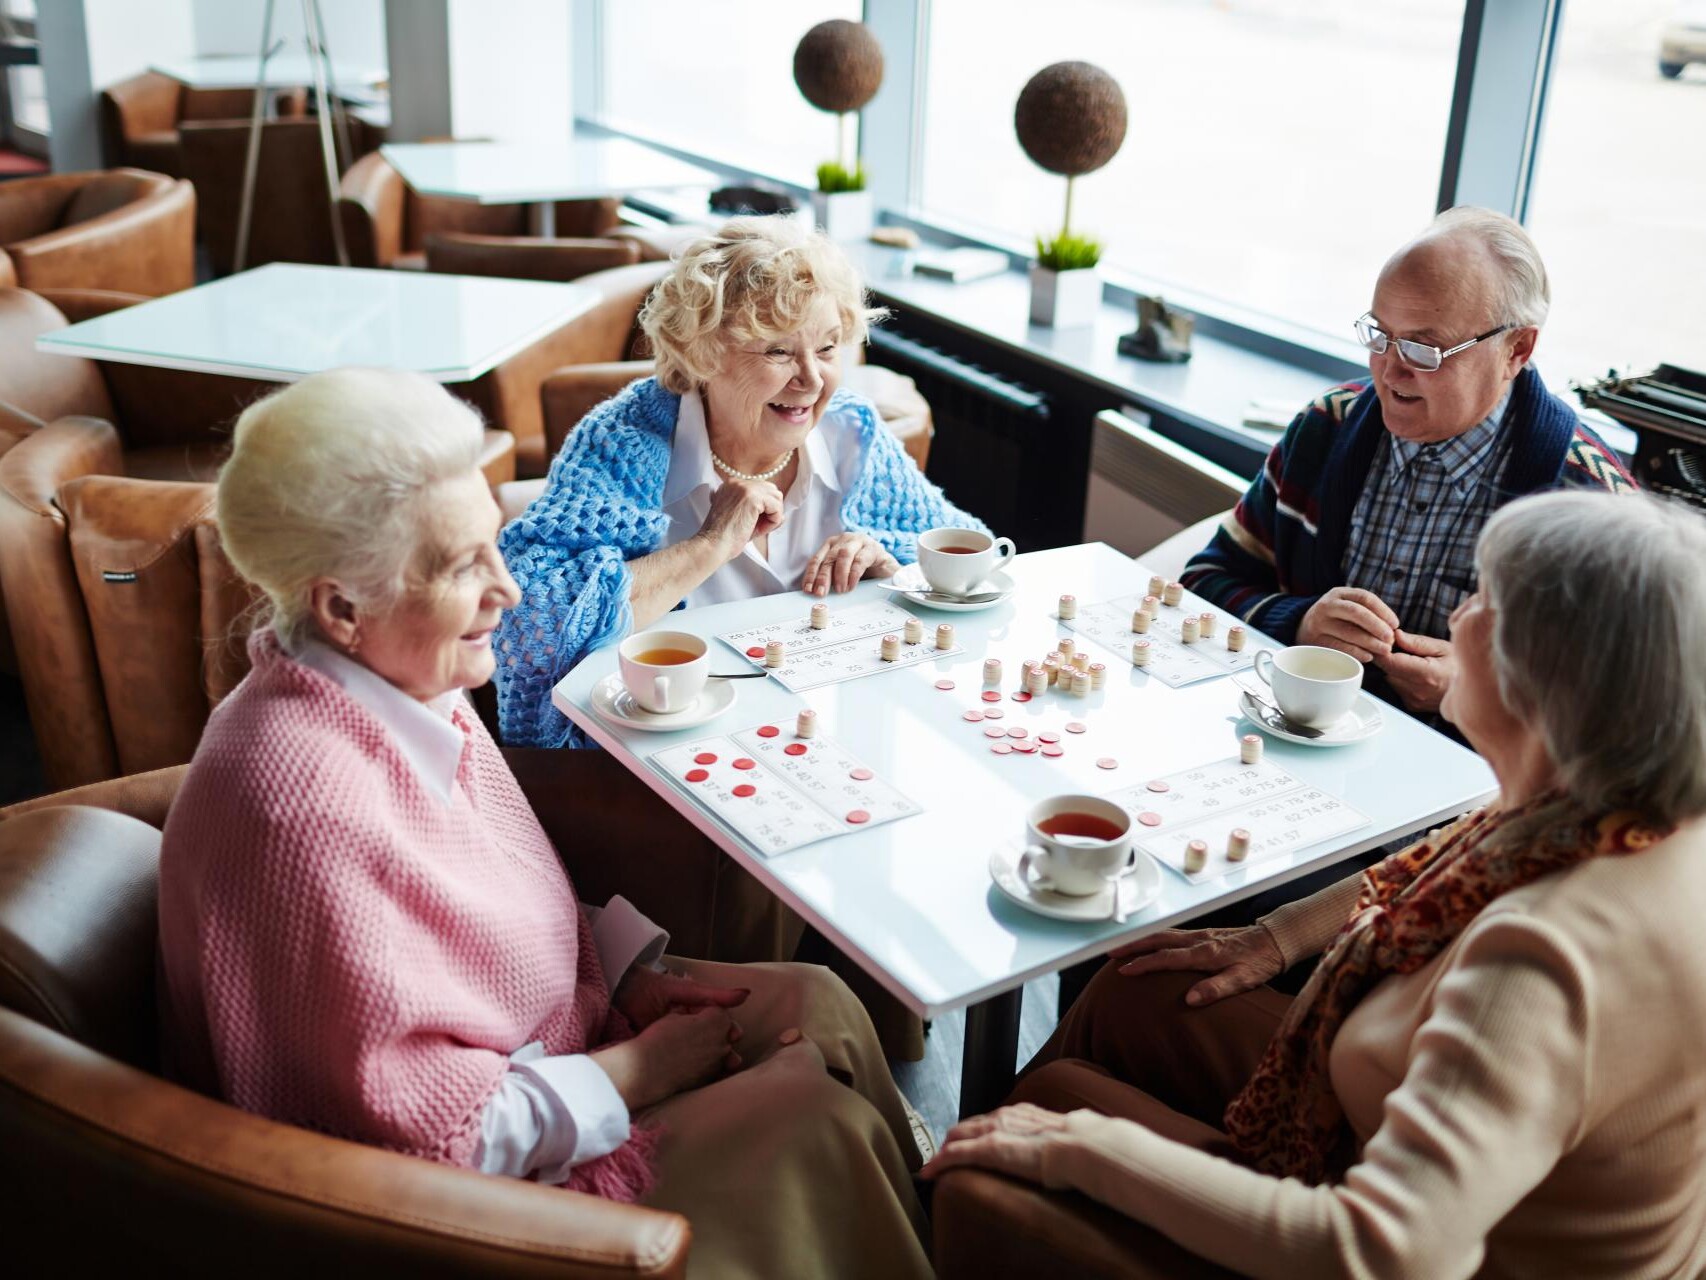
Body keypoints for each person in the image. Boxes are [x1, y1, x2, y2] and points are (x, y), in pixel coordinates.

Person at [157, 369, 932, 1280]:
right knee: (814, 1116)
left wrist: (625, 984)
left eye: (496, 547)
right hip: (449, 1202)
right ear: (340, 606)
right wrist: (644, 1070)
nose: (512, 592)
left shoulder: (401, 683)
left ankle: (921, 1222)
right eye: (461, 567)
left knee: (822, 1001)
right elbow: (426, 1140)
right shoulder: (298, 803)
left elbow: (496, 915)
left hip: (542, 1049)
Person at [926, 490, 1706, 1279]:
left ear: (1542, 678)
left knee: (1009, 1154)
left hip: (1412, 1245)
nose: (1458, 615)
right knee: (1138, 985)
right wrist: (1276, 937)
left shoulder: (1545, 957)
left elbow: (1381, 1252)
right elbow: (1437, 858)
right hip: (1395, 1141)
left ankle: (953, 1202)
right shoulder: (1607, 811)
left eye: (1481, 600)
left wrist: (1085, 1149)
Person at [494, 214, 986, 750]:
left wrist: (892, 575)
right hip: (672, 758)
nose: (812, 379)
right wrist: (710, 545)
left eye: (827, 348)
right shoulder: (619, 444)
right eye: (778, 351)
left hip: (832, 736)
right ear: (702, 354)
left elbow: (969, 577)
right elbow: (525, 629)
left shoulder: (853, 434)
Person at [1182, 207, 1633, 718]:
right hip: (1293, 749)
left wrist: (1483, 696)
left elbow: (1632, 721)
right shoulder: (1326, 427)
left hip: (1476, 789)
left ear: (1517, 349)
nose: (1390, 369)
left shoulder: (1594, 505)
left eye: (1425, 348)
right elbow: (1204, 579)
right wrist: (1299, 624)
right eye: (1379, 334)